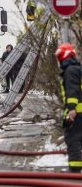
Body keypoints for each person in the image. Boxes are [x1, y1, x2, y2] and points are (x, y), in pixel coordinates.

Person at [55, 43, 82, 173]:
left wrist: (72, 110)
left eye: (59, 56)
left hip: (77, 112)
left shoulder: (70, 70)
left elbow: (72, 92)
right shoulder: (78, 68)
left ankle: (75, 170)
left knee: (73, 138)